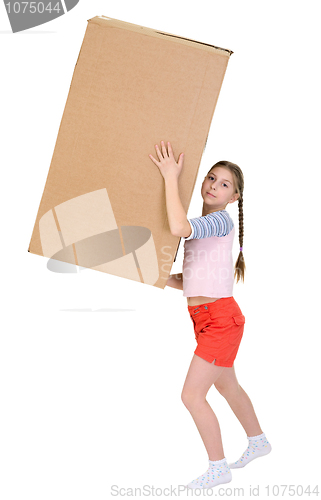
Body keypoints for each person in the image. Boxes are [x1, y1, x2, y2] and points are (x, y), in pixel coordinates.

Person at [149, 141, 271, 490]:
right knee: (227, 385)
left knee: (191, 395)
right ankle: (258, 441)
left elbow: (177, 227)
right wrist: (163, 279)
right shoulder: (207, 224)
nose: (214, 186)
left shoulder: (218, 220)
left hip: (220, 320)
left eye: (224, 184)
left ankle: (219, 468)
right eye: (211, 178)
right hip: (208, 318)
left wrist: (170, 176)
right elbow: (192, 281)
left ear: (234, 197)